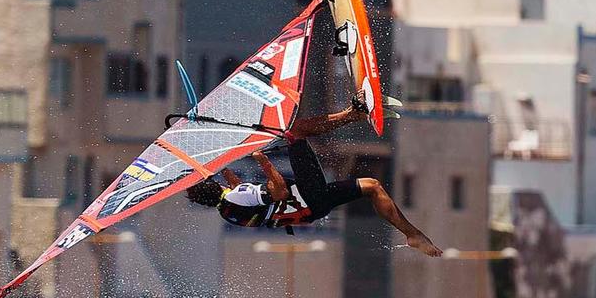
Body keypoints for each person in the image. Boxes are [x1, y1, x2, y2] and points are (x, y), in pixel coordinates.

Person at [185, 101, 443, 257]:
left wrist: (218, 162)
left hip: (312, 208)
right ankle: (355, 113)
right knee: (296, 132)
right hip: (306, 195)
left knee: (373, 187)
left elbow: (242, 191)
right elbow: (279, 192)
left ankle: (413, 235)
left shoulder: (228, 209)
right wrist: (262, 160)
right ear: (212, 186)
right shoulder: (234, 197)